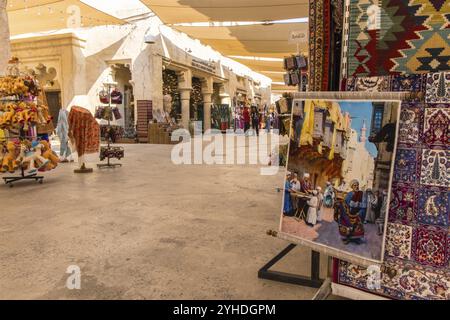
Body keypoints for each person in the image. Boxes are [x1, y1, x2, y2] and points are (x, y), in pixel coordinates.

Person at [335, 179, 365, 244]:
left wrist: (360, 212)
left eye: (357, 185)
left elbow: (363, 204)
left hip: (357, 213)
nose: (356, 187)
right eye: (355, 185)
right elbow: (345, 203)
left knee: (358, 226)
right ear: (352, 186)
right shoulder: (349, 194)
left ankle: (357, 238)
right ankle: (348, 238)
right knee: (347, 226)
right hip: (349, 213)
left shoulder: (361, 194)